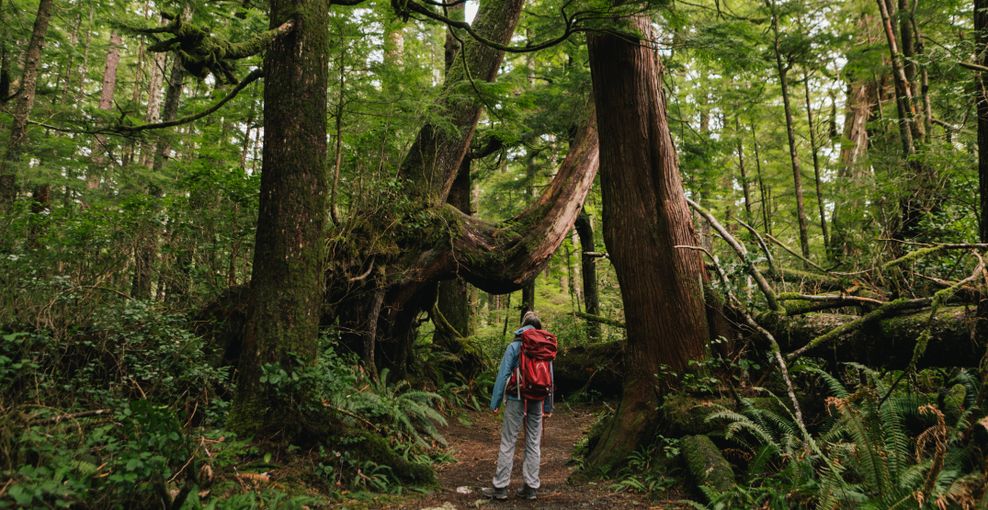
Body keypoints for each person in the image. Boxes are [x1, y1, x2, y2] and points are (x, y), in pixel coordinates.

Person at [482, 311, 554, 501]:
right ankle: (530, 487)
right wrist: (548, 407)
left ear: (523, 325)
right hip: (537, 399)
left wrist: (495, 402)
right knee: (533, 442)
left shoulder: (515, 345)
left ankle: (500, 488)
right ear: (538, 326)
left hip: (516, 397)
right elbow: (550, 379)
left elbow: (503, 375)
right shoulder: (544, 346)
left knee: (508, 441)